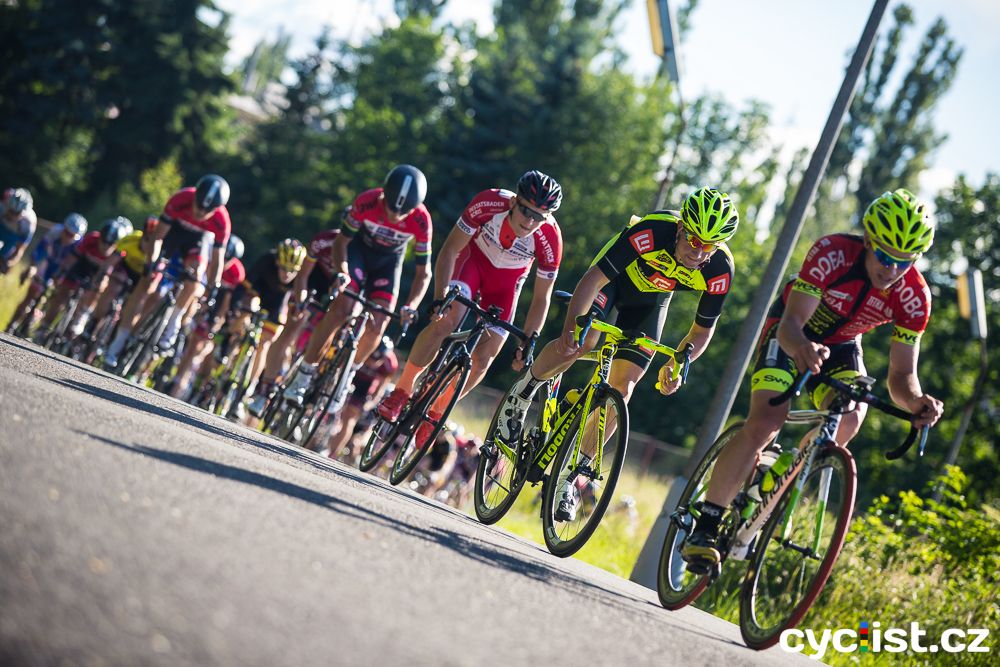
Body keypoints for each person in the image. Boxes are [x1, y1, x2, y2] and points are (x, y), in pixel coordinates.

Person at [680, 188, 944, 572]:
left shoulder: (914, 297)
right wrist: (802, 346)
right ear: (869, 241)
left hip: (842, 346)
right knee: (766, 422)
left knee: (852, 415)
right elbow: (792, 324)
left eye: (905, 262)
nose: (891, 269)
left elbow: (902, 377)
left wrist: (917, 402)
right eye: (885, 255)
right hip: (790, 332)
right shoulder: (832, 253)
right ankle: (706, 524)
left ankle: (789, 474)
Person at [497, 187, 740, 521]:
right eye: (694, 241)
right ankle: (523, 392)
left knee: (623, 390)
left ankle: (571, 476)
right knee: (582, 343)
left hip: (651, 302)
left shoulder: (720, 269)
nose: (698, 253)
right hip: (610, 285)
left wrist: (680, 363)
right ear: (682, 228)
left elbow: (701, 332)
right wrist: (572, 328)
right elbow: (592, 281)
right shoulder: (653, 231)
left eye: (708, 246)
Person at [376, 169, 563, 449]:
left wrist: (529, 340)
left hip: (504, 286)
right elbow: (450, 250)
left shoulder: (550, 239)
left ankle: (435, 413)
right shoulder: (488, 203)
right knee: (446, 322)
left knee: (484, 358)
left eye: (539, 216)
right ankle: (402, 390)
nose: (530, 221)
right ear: (514, 202)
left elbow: (541, 299)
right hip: (471, 264)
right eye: (526, 211)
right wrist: (440, 299)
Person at [279, 165, 432, 406]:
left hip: (388, 264)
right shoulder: (367, 201)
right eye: (391, 207)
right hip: (357, 253)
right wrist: (342, 271)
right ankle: (304, 374)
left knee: (379, 322)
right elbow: (341, 241)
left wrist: (411, 305)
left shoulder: (422, 220)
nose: (394, 216)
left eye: (402, 213)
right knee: (343, 309)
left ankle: (348, 372)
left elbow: (424, 273)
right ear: (383, 195)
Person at [103, 174, 232, 367]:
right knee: (147, 282)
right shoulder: (181, 199)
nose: (199, 213)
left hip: (197, 240)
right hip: (173, 233)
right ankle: (119, 339)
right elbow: (158, 237)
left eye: (206, 211)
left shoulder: (222, 221)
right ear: (195, 196)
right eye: (198, 206)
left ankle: (173, 322)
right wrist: (152, 263)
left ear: (217, 209)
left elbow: (217, 259)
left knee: (196, 275)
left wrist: (214, 286)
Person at [169, 234, 247, 400]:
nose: (224, 262)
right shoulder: (211, 257)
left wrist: (216, 323)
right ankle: (180, 327)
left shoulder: (236, 273)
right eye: (222, 257)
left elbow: (226, 302)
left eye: (228, 259)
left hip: (219, 306)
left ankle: (182, 381)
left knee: (199, 344)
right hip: (203, 296)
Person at [237, 239, 309, 417]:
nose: (286, 274)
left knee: (265, 344)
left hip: (277, 304)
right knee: (243, 316)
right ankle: (230, 348)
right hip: (258, 292)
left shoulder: (299, 279)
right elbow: (244, 288)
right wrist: (237, 311)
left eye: (292, 271)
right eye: (283, 268)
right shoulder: (266, 260)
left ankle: (248, 389)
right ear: (277, 261)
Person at [35, 217, 133, 340]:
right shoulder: (92, 238)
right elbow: (73, 257)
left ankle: (81, 315)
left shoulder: (120, 253)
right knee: (62, 294)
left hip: (99, 273)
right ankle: (44, 326)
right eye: (103, 241)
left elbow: (111, 275)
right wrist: (61, 273)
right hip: (82, 266)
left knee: (99, 286)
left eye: (110, 244)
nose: (105, 246)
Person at [319, 336, 398, 459]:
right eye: (370, 358)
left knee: (349, 419)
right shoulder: (363, 345)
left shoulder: (390, 364)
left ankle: (332, 453)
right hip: (351, 378)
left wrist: (371, 402)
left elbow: (381, 387)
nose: (372, 363)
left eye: (377, 360)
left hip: (365, 389)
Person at [8, 213, 87, 331]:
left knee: (55, 298)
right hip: (48, 263)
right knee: (30, 295)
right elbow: (40, 249)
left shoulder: (79, 244)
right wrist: (33, 265)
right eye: (66, 232)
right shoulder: (55, 231)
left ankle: (39, 320)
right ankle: (11, 325)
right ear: (63, 228)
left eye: (72, 235)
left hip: (62, 270)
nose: (67, 237)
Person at [0, 187, 38, 273]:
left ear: (23, 213)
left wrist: (7, 263)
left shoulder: (28, 224)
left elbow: (19, 250)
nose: (12, 215)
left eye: (16, 213)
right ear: (7, 205)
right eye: (11, 211)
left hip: (12, 239)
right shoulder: (2, 206)